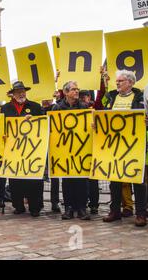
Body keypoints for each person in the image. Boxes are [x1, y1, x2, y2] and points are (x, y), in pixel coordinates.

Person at [103, 70, 148, 227]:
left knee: (138, 180)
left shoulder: (140, 97)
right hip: (115, 145)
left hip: (134, 144)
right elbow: (104, 115)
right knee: (114, 179)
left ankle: (141, 214)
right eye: (117, 81)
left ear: (130, 82)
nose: (117, 83)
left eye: (121, 81)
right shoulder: (111, 97)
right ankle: (115, 211)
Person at [0, 81, 44, 217]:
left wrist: (35, 120)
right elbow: (0, 126)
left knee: (34, 180)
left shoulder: (36, 107)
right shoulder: (5, 109)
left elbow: (43, 125)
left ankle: (35, 207)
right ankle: (18, 205)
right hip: (13, 149)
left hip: (32, 150)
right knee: (15, 180)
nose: (22, 93)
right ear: (12, 94)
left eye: (23, 91)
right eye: (18, 91)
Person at [52, 81, 91, 220]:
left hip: (80, 150)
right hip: (64, 151)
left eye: (77, 89)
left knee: (81, 180)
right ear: (66, 92)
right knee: (67, 180)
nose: (77, 91)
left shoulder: (84, 107)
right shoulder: (57, 108)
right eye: (74, 89)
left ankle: (81, 208)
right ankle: (68, 207)